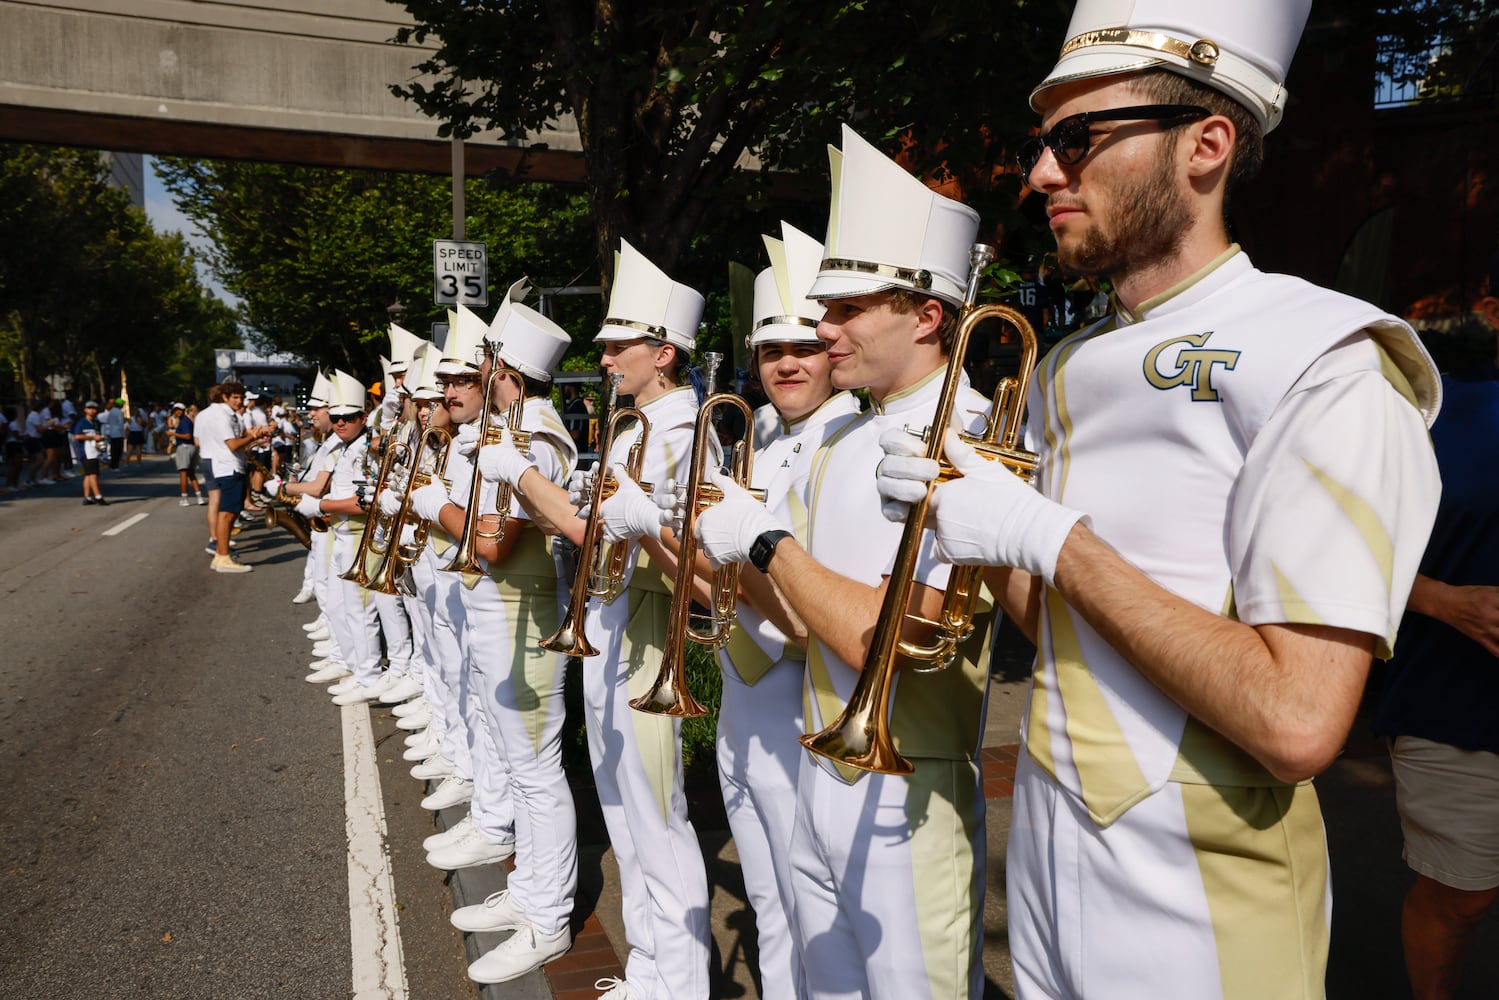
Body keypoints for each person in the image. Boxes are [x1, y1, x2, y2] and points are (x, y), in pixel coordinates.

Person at [865, 4, 1444, 997]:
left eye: (1077, 139)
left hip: (1199, 889)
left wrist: (1045, 535)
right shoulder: (1065, 365)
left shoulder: (1325, 357)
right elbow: (1055, 625)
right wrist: (965, 516)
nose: (1042, 173)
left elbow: (1296, 722)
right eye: (1040, 144)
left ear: (1205, 145)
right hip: (1044, 846)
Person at [692, 126, 995, 1000]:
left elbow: (885, 637)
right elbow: (791, 611)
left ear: (928, 313)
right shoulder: (853, 435)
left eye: (846, 309)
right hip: (818, 761)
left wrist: (758, 542)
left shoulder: (971, 430)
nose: (822, 333)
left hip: (909, 789)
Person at [484, 241, 712, 1000]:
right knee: (622, 807)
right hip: (610, 624)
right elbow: (595, 526)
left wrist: (519, 477)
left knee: (656, 817)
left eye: (620, 346)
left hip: (645, 632)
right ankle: (649, 964)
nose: (606, 358)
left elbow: (625, 538)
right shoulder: (629, 424)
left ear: (665, 352)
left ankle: (679, 981)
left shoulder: (681, 431)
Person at [409, 295, 581, 984]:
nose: (454, 387)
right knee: (517, 761)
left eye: (474, 370)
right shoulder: (511, 425)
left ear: (501, 368)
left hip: (522, 607)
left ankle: (548, 916)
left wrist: (433, 506)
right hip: (499, 605)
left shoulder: (531, 431)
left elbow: (496, 541)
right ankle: (533, 893)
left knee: (536, 772)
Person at [710, 221, 861, 999]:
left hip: (794, 704)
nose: (787, 364)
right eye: (771, 351)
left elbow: (811, 616)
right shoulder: (770, 446)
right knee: (770, 902)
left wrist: (736, 555)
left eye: (803, 347)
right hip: (745, 692)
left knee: (810, 913)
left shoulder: (848, 444)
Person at [1375, 293, 1499, 1000]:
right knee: (1461, 897)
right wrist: (1443, 602)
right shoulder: (1432, 413)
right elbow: (1341, 540)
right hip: (1455, 700)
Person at [197, 381, 270, 572]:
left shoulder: (228, 415)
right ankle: (223, 556)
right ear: (225, 397)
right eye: (235, 398)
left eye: (241, 397)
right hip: (228, 468)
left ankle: (223, 553)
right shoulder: (222, 416)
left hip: (231, 466)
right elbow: (232, 444)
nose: (239, 401)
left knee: (229, 512)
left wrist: (256, 433)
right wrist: (253, 437)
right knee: (227, 513)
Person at [70, 401, 108, 505]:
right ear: (85, 410)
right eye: (90, 408)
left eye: (94, 408)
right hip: (86, 452)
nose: (92, 410)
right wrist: (92, 437)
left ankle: (87, 497)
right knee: (93, 474)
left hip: (95, 450)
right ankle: (98, 496)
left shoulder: (96, 422)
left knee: (88, 475)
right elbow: (77, 436)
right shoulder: (81, 422)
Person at [170, 402, 204, 505]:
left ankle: (184, 498)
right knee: (191, 473)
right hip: (191, 447)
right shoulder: (186, 421)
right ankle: (199, 496)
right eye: (176, 410)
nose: (177, 412)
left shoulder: (185, 421)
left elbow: (187, 436)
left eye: (179, 410)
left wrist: (173, 433)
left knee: (183, 473)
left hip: (185, 447)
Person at [100, 398, 126, 471]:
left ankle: (112, 465)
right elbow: (121, 423)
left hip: (111, 432)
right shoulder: (119, 412)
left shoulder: (111, 411)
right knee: (118, 450)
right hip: (118, 433)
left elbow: (108, 421)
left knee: (113, 450)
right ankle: (115, 465)